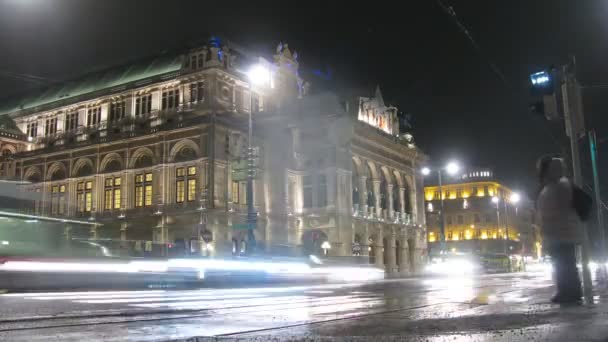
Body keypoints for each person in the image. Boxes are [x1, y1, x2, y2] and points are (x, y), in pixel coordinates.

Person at [536, 155, 583, 303]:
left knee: (565, 264)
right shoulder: (554, 186)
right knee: (562, 263)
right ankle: (566, 291)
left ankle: (571, 293)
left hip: (561, 232)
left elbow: (558, 210)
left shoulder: (560, 186)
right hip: (558, 232)